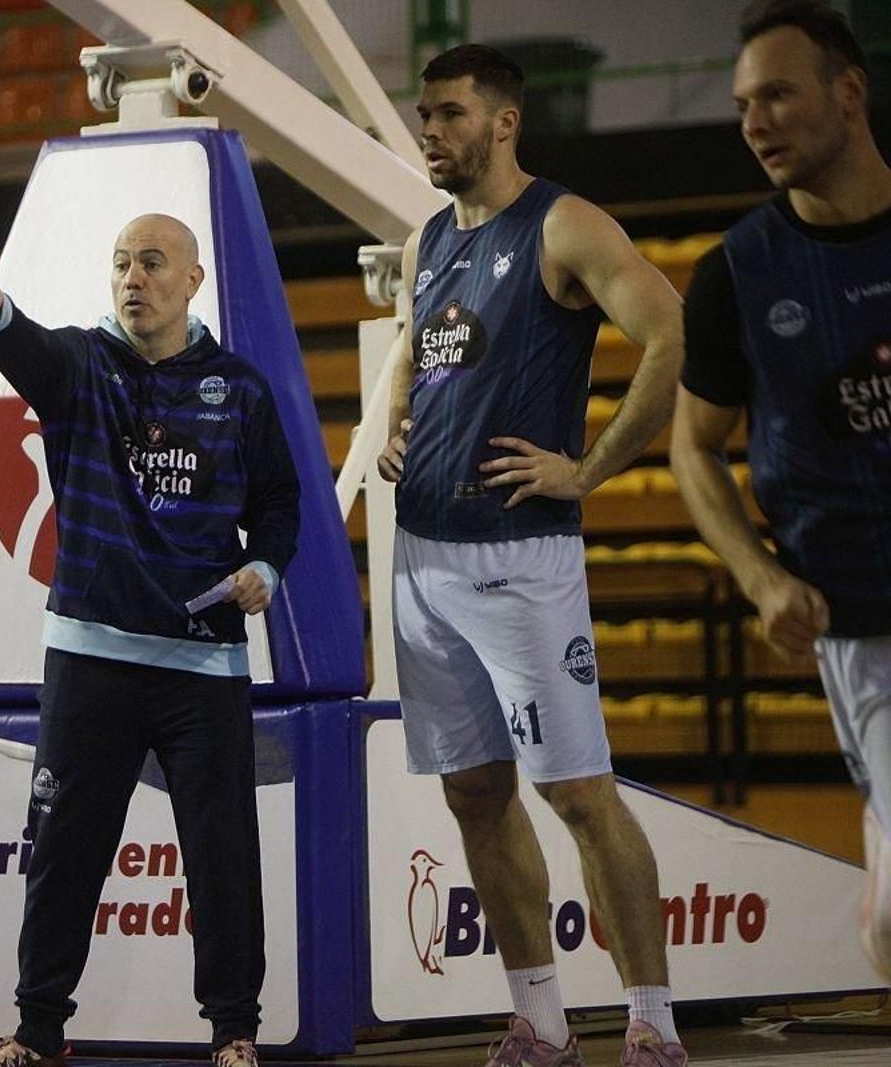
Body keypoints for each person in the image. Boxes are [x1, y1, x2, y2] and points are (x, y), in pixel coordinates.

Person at [377, 45, 689, 1066]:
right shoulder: (429, 237)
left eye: (450, 113)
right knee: (473, 792)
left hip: (519, 559)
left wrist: (587, 468)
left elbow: (668, 332)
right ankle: (542, 1022)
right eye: (424, 114)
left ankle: (652, 1022)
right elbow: (411, 341)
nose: (430, 130)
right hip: (422, 559)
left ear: (504, 121)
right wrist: (395, 421)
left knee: (580, 793)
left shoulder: (562, 223)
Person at [0, 213, 300, 1067]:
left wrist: (267, 566)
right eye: (120, 264)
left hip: (204, 664)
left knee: (221, 857)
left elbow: (280, 504)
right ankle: (37, 1031)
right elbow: (29, 349)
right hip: (91, 657)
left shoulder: (241, 389)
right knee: (63, 852)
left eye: (151, 263)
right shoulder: (81, 364)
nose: (133, 278)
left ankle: (234, 1034)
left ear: (192, 280)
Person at [669, 0, 891, 985]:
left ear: (849, 93)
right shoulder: (736, 275)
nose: (754, 122)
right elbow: (692, 448)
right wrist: (760, 577)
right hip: (863, 621)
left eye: (777, 96)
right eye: (741, 106)